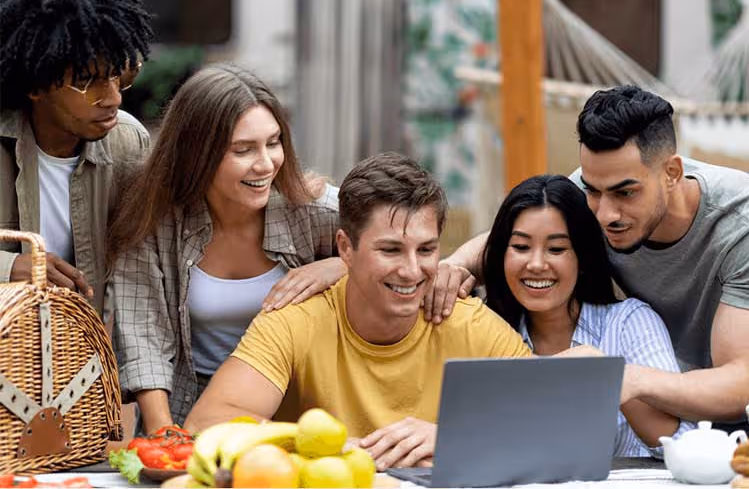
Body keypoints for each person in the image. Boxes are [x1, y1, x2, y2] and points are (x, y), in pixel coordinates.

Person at [184, 152, 533, 470]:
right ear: (345, 249)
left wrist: (453, 437)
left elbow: (550, 419)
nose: (412, 270)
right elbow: (206, 421)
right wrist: (325, 447)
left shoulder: (463, 320)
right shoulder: (297, 320)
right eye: (391, 250)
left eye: (426, 250)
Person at [437, 85, 749, 426]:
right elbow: (515, 242)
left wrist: (627, 378)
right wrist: (454, 266)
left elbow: (741, 383)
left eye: (625, 193)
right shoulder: (593, 198)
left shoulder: (739, 226)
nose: (604, 215)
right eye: (592, 190)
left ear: (672, 174)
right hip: (667, 413)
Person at [107, 64, 347, 434]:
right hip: (191, 411)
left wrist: (342, 266)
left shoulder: (313, 209)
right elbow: (143, 335)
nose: (265, 164)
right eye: (243, 149)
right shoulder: (154, 216)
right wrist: (164, 435)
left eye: (273, 142)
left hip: (302, 414)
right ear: (197, 153)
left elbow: (396, 251)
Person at [483, 174, 692, 457]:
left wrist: (611, 377)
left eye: (556, 249)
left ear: (582, 259)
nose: (536, 264)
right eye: (520, 247)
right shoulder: (483, 328)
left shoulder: (628, 324)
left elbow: (685, 444)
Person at [0, 0, 153, 318]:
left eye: (117, 77)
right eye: (89, 82)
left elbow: (147, 263)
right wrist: (10, 268)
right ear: (35, 85)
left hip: (86, 357)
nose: (113, 98)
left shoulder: (128, 143)